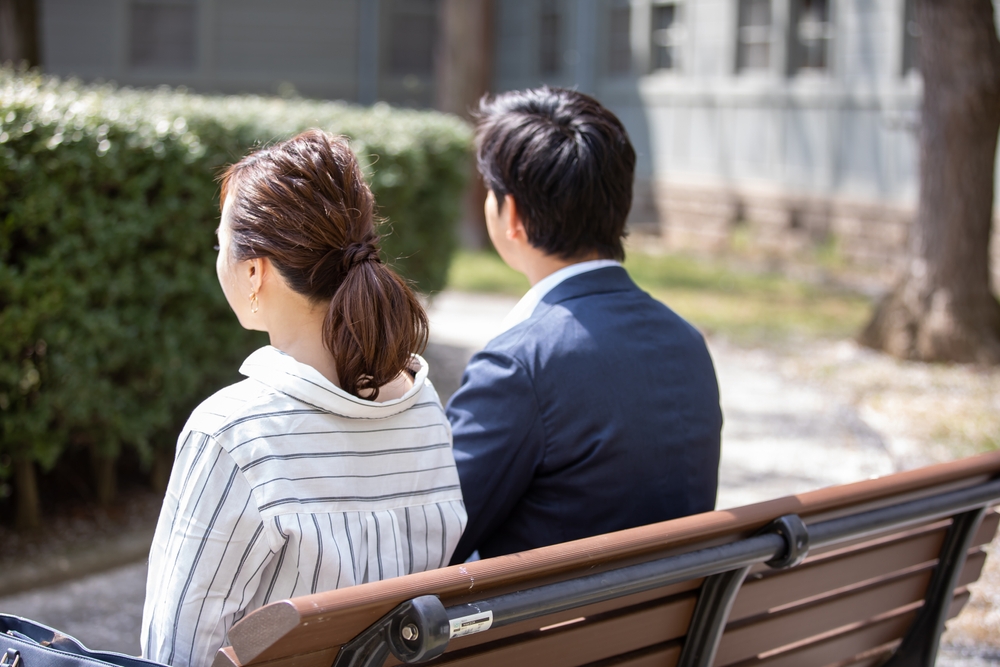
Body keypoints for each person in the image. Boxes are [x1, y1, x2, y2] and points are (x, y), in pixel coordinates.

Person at [141, 130, 466, 667]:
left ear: (254, 271)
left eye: (220, 244)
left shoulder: (231, 435)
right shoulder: (426, 411)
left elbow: (175, 653)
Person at [447, 87, 722, 564]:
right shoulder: (686, 342)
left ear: (511, 213)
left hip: (545, 633)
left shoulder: (518, 366)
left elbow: (434, 537)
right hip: (665, 630)